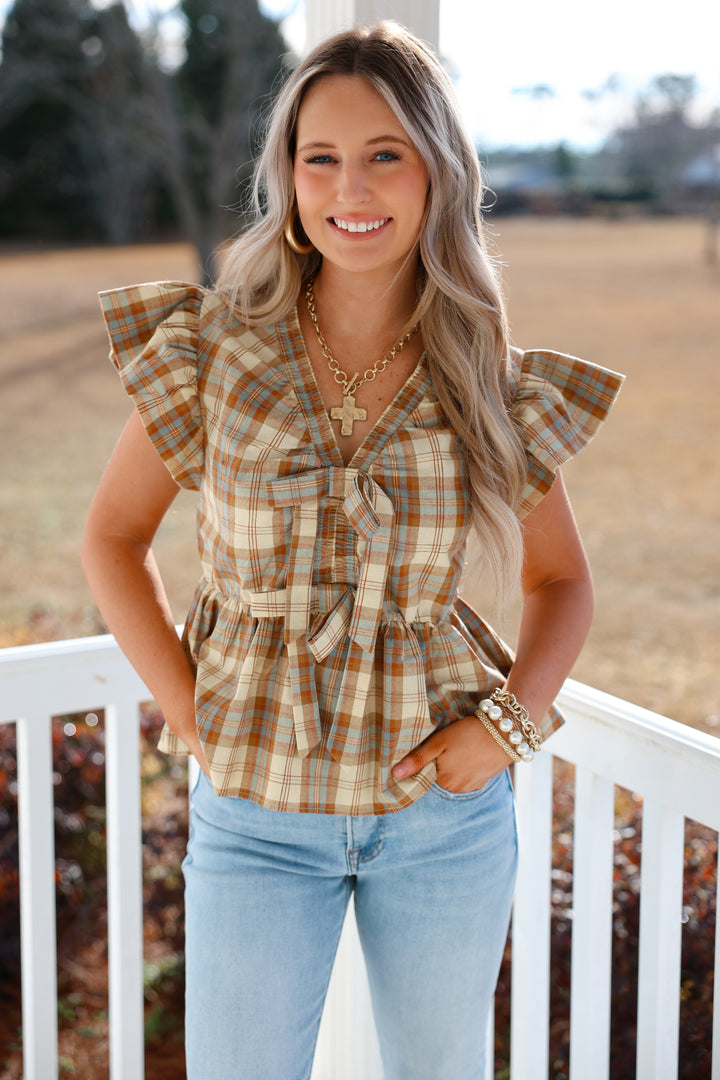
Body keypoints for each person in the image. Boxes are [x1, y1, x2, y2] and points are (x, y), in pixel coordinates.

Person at [82, 21, 623, 1080]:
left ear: (437, 171)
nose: (349, 186)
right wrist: (190, 711)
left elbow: (561, 583)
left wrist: (506, 728)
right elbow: (112, 538)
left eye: (385, 153)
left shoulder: (484, 374)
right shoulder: (215, 351)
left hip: (443, 820)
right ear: (286, 177)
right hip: (255, 816)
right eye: (318, 157)